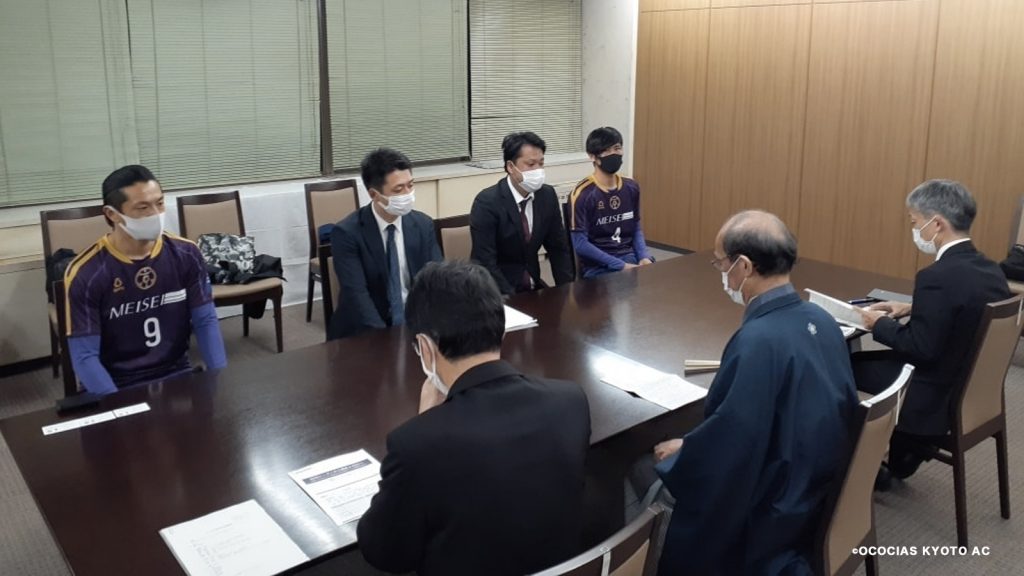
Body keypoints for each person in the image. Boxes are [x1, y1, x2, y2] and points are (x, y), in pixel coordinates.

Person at [651, 211, 858, 576]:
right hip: (816, 487)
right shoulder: (822, 319)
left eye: (721, 263)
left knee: (646, 475)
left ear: (744, 266)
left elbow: (731, 448)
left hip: (772, 511)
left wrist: (685, 452)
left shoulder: (757, 342)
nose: (721, 273)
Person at [357, 260, 591, 576]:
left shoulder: (415, 445)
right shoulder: (571, 401)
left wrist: (427, 421)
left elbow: (385, 553)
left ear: (425, 347)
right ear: (500, 327)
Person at [855, 180, 1010, 482]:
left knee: (841, 365)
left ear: (936, 224)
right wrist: (912, 307)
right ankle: (905, 452)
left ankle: (853, 465)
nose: (915, 231)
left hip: (930, 393)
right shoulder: (990, 270)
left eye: (915, 223)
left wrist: (878, 324)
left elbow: (920, 348)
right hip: (964, 384)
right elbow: (967, 307)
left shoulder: (936, 276)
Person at [64, 165, 226, 395]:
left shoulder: (186, 254)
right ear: (112, 214)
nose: (155, 214)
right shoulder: (87, 272)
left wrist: (218, 380)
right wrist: (118, 405)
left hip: (177, 372)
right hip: (117, 383)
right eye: (142, 207)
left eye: (159, 203)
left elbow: (206, 321)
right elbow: (84, 356)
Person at [327, 148, 442, 340]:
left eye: (410, 185)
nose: (408, 194)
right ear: (374, 194)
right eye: (398, 189)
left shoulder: (422, 225)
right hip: (365, 331)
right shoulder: (347, 233)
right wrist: (387, 338)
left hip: (414, 325)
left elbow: (437, 279)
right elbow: (357, 295)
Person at [470, 131, 574, 295]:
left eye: (541, 163)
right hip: (497, 292)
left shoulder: (547, 195)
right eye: (531, 164)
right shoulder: (487, 202)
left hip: (533, 287)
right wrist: (512, 299)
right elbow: (485, 262)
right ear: (511, 167)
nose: (538, 170)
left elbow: (558, 248)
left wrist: (567, 291)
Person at [570, 127, 654, 278]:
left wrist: (644, 256)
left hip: (630, 258)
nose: (613, 154)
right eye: (606, 150)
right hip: (598, 266)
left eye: (617, 148)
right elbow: (580, 243)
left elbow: (635, 227)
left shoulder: (631, 187)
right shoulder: (583, 194)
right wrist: (620, 266)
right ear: (592, 156)